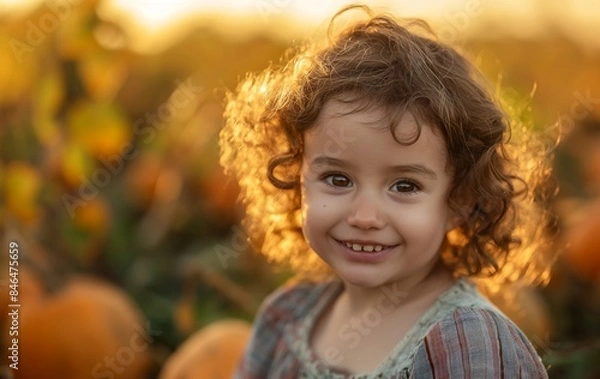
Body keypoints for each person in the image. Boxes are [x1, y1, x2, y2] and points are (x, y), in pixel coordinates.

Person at [220, 4, 556, 378]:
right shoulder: (284, 319)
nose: (364, 217)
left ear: (459, 200)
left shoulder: (468, 347)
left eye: (404, 185)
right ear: (296, 177)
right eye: (338, 179)